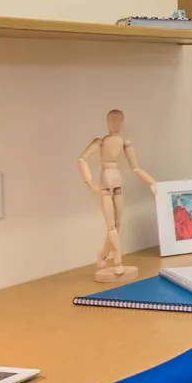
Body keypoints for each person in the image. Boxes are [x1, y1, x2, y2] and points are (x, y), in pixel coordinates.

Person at [77, 109, 156, 282]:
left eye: (118, 120)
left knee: (117, 227)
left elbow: (135, 167)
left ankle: (103, 256)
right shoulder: (100, 141)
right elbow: (82, 159)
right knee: (111, 227)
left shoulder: (124, 142)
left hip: (117, 180)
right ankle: (118, 261)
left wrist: (151, 182)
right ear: (107, 122)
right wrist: (89, 181)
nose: (115, 124)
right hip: (105, 180)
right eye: (112, 120)